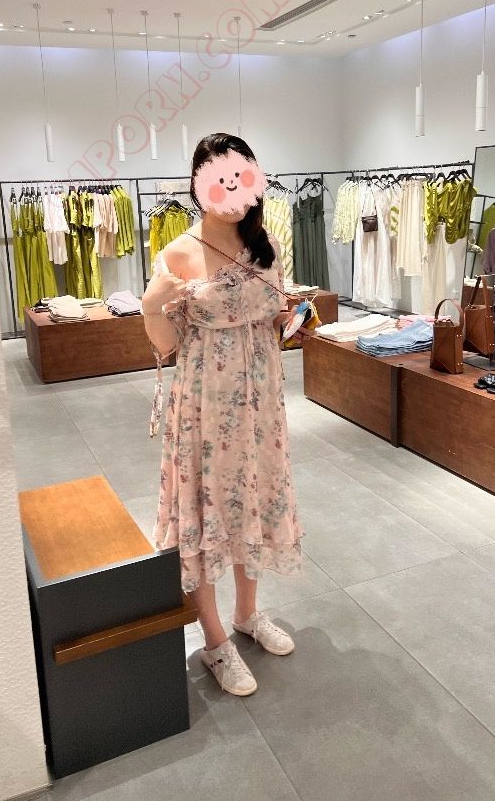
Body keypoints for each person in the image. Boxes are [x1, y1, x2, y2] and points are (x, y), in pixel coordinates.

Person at [142, 133, 304, 697]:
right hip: (205, 408)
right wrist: (151, 305)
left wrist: (290, 322)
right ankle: (214, 641)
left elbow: (273, 317)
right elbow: (163, 345)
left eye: (241, 177)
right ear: (199, 185)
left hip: (261, 405)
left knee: (250, 501)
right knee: (207, 510)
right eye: (219, 179)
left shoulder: (267, 246)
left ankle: (247, 613)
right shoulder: (179, 253)